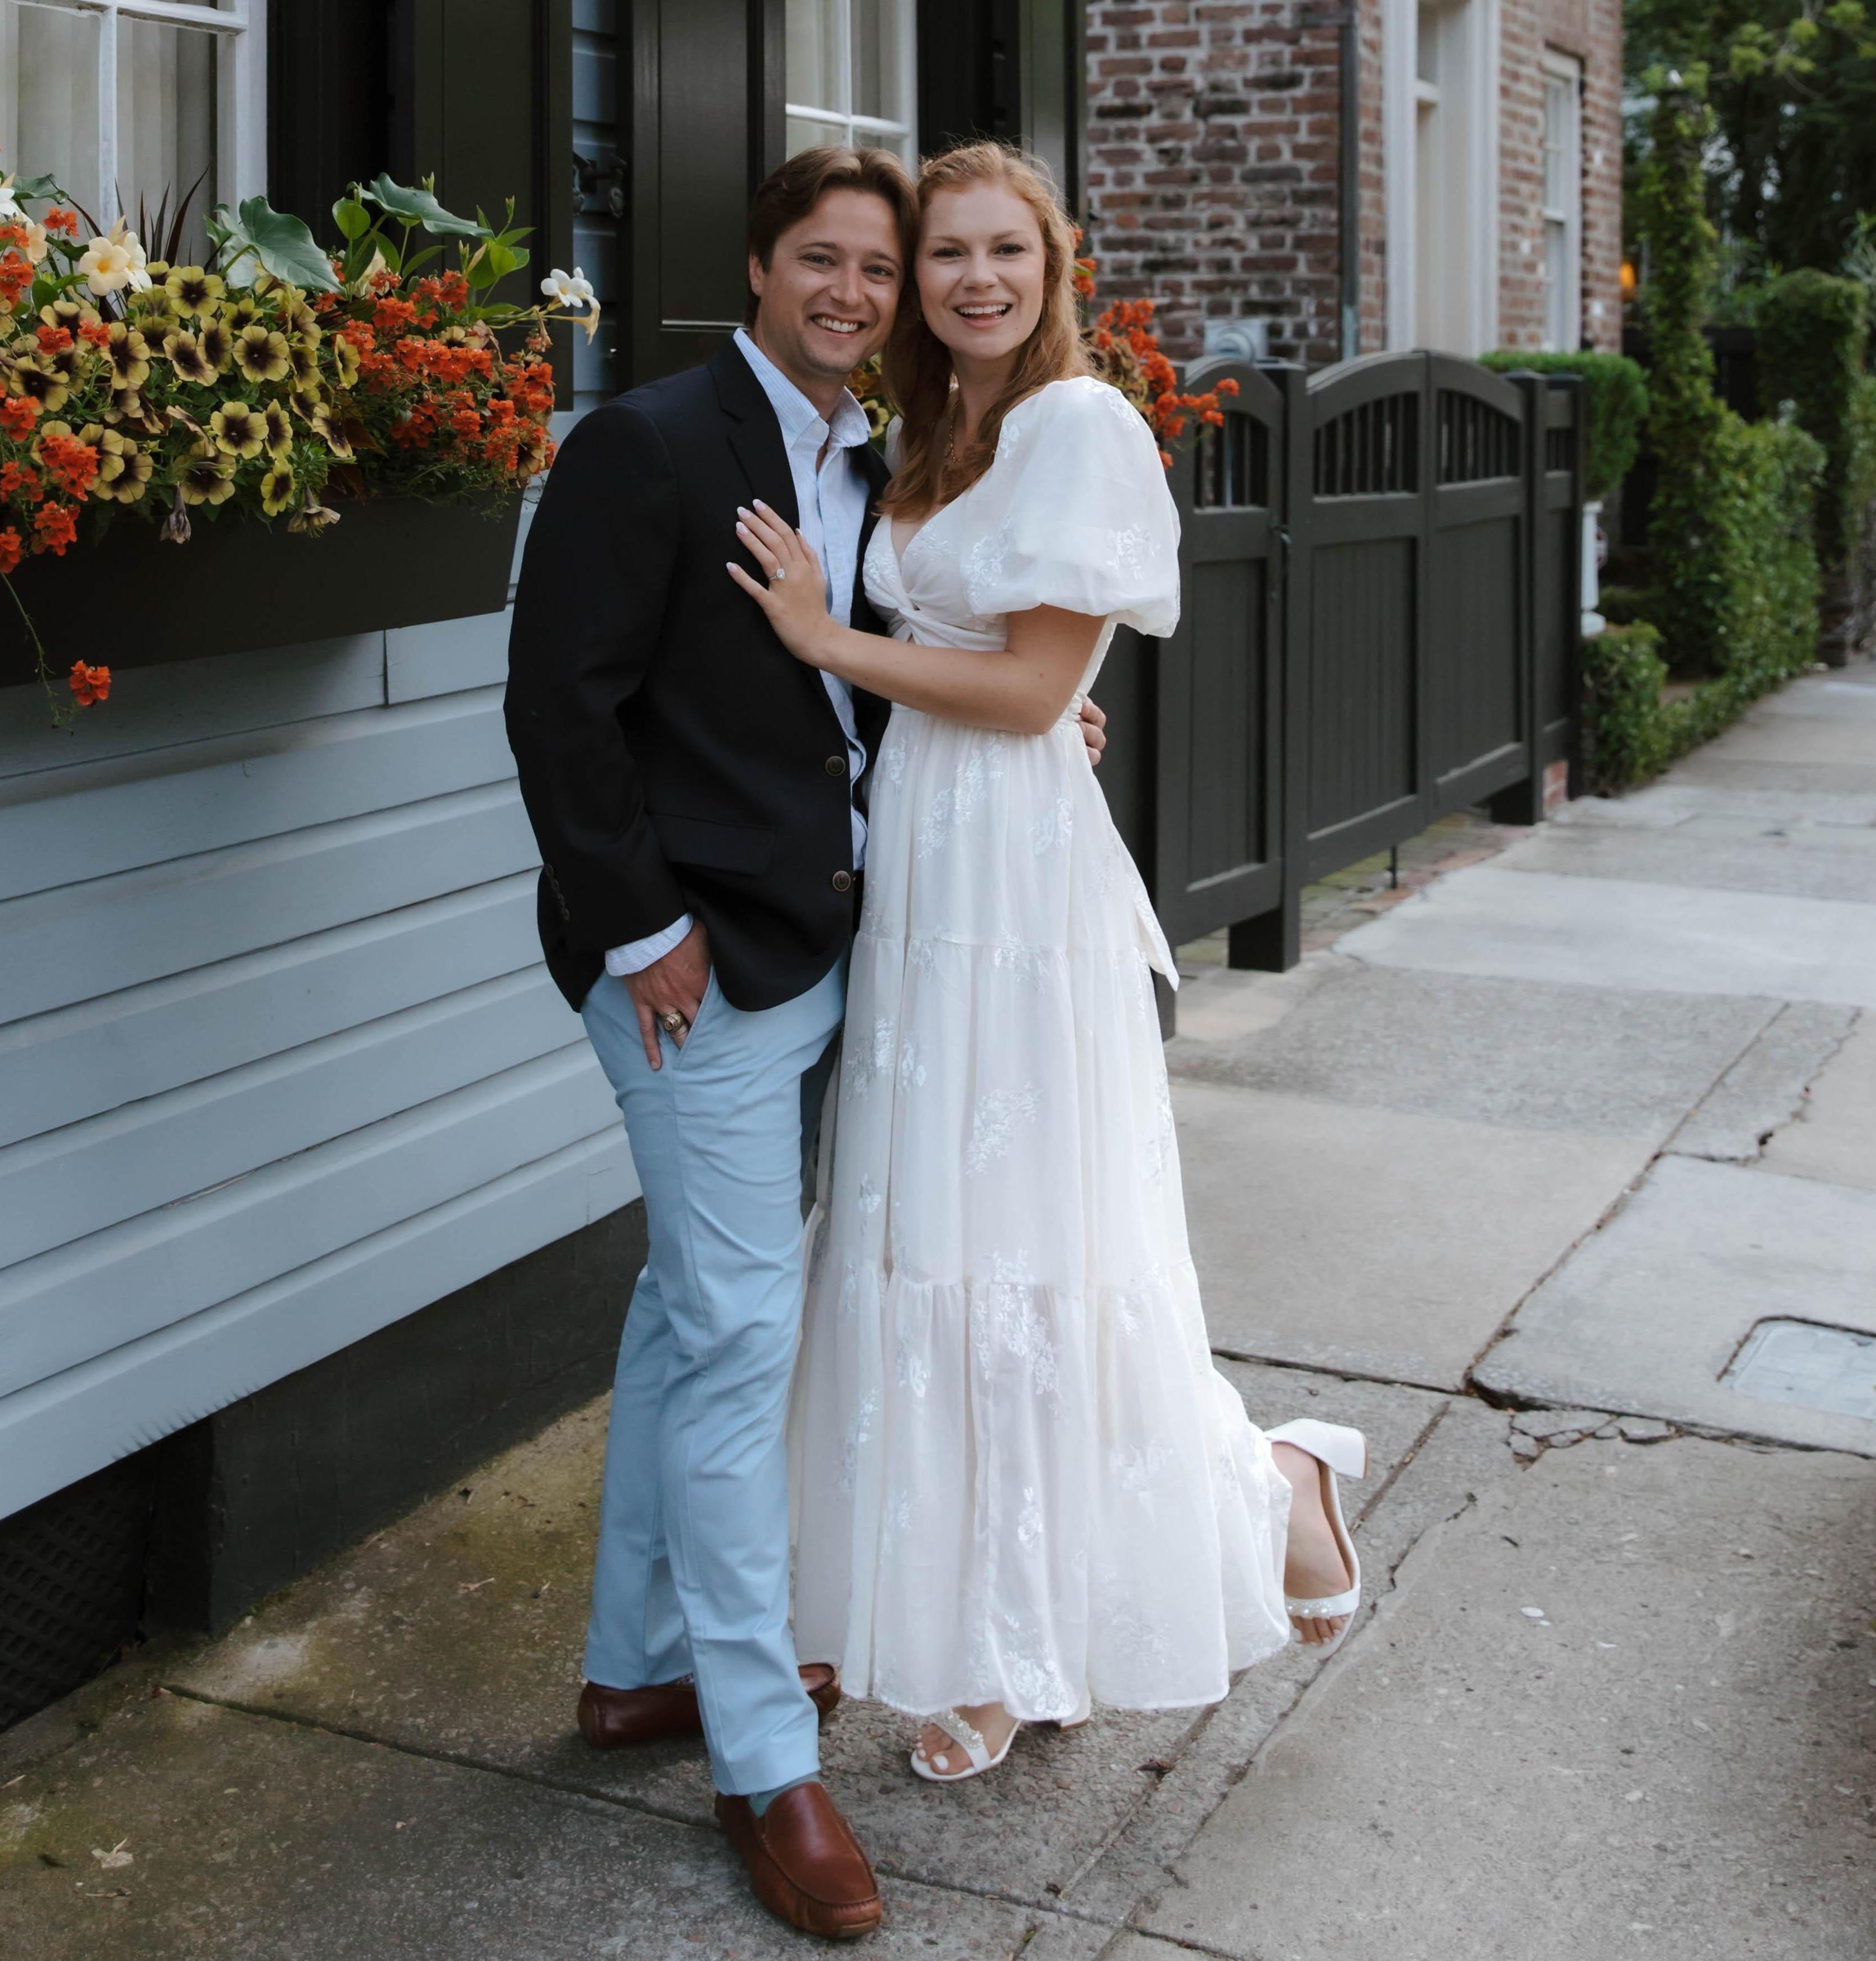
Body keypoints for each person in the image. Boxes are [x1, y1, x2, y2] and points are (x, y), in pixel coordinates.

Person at [503, 145, 1105, 1938]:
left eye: (879, 267)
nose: (853, 292)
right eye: (820, 260)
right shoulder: (646, 442)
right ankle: (767, 1759)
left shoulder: (882, 449)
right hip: (689, 969)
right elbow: (557, 709)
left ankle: (637, 1666)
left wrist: (1031, 722)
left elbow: (854, 679)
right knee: (743, 1335)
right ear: (758, 267)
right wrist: (644, 932)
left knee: (688, 1310)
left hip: (840, 947)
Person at [733, 141, 1369, 1787]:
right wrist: (952, 685)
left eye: (1003, 250)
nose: (973, 279)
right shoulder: (926, 434)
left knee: (1026, 1245)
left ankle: (1218, 1518)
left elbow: (1025, 690)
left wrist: (824, 636)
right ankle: (991, 1617)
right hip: (923, 857)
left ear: (1053, 265)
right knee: (926, 1238)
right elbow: (992, 668)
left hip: (1013, 883)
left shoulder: (1080, 422)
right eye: (944, 253)